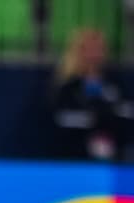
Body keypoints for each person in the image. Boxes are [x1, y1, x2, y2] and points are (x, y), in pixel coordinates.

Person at [51, 27, 134, 162]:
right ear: (78, 51)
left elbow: (125, 110)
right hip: (74, 155)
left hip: (116, 153)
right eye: (89, 49)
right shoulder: (68, 86)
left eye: (98, 49)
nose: (94, 54)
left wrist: (109, 115)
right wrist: (95, 118)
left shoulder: (115, 82)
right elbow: (62, 118)